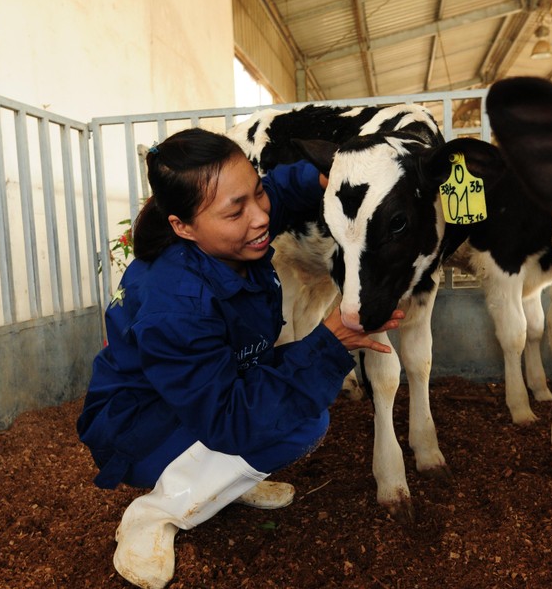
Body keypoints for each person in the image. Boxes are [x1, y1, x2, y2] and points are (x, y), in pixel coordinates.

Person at [76, 127, 403, 589]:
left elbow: (276, 196)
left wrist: (323, 176)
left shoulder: (228, 232)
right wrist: (328, 344)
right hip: (135, 427)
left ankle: (222, 481)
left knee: (278, 407)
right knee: (299, 423)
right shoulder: (177, 301)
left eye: (257, 193)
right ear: (182, 226)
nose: (259, 217)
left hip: (195, 394)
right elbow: (227, 415)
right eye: (237, 209)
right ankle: (153, 515)